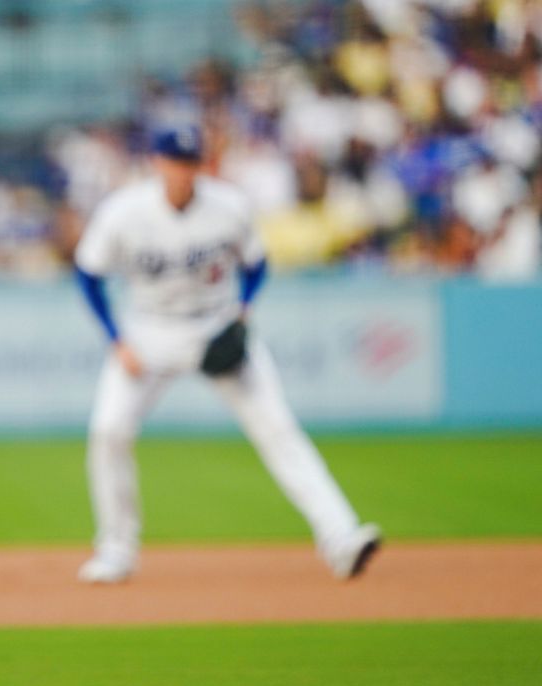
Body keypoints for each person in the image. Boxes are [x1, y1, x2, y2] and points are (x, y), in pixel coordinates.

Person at [72, 124, 381, 584]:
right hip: (149, 333)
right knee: (108, 431)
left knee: (278, 428)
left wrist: (243, 313)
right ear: (156, 163)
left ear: (202, 164)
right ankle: (117, 549)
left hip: (215, 327)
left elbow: (256, 265)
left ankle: (341, 537)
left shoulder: (229, 207)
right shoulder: (124, 212)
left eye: (191, 162)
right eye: (175, 162)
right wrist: (117, 339)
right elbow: (88, 273)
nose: (183, 171)